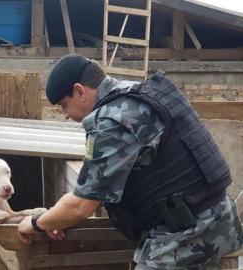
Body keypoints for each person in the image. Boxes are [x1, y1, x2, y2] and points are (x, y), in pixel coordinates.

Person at [17, 54, 243, 269]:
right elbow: (87, 191)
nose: (65, 114)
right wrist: (53, 219)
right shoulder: (138, 92)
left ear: (79, 91)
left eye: (64, 105)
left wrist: (35, 223)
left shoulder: (111, 120)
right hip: (222, 220)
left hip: (186, 236)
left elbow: (81, 205)